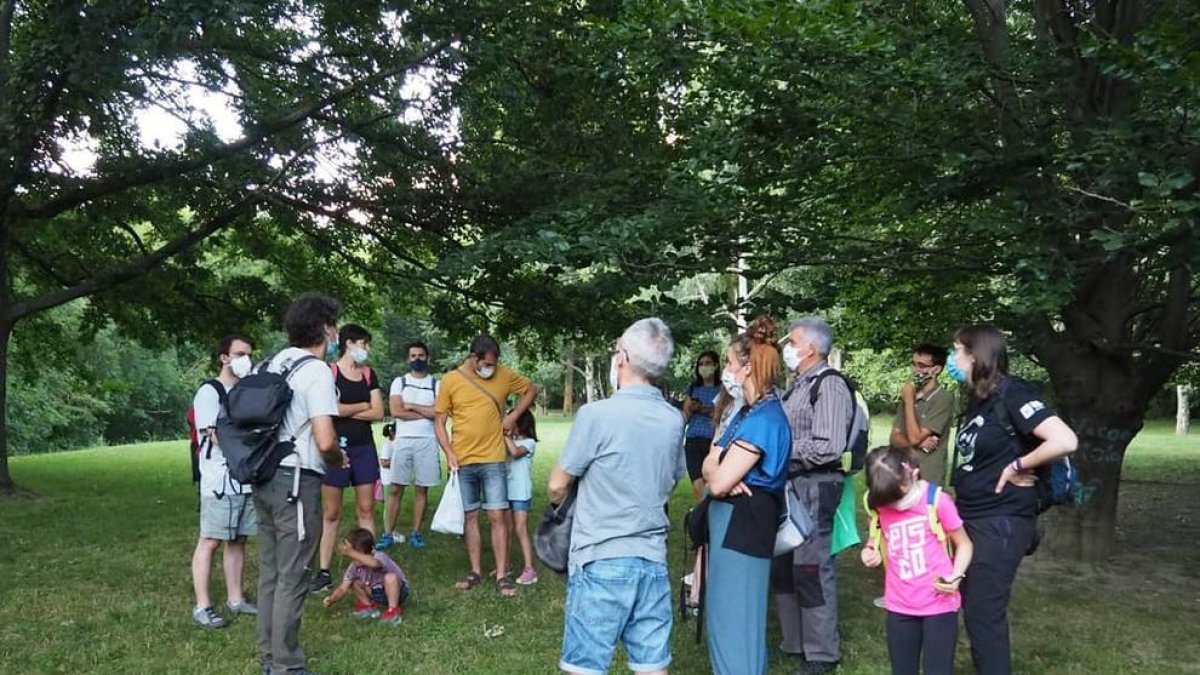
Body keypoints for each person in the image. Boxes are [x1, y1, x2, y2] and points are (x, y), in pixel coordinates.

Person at [548, 317, 685, 675]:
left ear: (622, 356)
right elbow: (670, 481)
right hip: (652, 560)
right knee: (652, 666)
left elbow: (557, 484)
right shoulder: (673, 420)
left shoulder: (597, 415)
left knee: (586, 667)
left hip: (600, 558)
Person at [948, 325, 1077, 675]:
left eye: (956, 351)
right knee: (972, 607)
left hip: (1001, 521)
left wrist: (1018, 465)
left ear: (976, 355)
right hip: (971, 516)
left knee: (983, 612)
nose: (952, 359)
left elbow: (1064, 439)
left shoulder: (1014, 392)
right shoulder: (979, 398)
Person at [254, 293, 342, 675]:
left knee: (271, 571)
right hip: (297, 480)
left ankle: (269, 657)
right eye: (334, 325)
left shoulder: (270, 363)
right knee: (294, 575)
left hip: (265, 475)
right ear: (325, 328)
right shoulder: (318, 371)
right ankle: (286, 665)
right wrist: (340, 458)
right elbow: (325, 440)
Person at [701, 316, 792, 675]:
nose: (724, 369)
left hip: (745, 526)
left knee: (737, 618)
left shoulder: (765, 418)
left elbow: (719, 482)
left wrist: (719, 471)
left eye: (728, 363)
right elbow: (710, 464)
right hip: (730, 524)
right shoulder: (745, 413)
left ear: (748, 368)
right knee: (724, 614)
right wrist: (718, 468)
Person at [775, 316, 855, 675]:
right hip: (790, 485)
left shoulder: (830, 385)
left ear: (810, 347)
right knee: (786, 565)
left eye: (791, 342)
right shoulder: (797, 384)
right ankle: (794, 642)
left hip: (815, 485)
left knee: (810, 566)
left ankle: (821, 653)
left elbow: (829, 445)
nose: (786, 349)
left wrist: (779, 448)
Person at [435, 334, 540, 597]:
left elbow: (531, 389)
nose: (490, 369)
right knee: (470, 516)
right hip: (464, 460)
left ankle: (502, 575)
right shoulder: (450, 380)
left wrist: (514, 415)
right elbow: (439, 422)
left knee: (497, 516)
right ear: (473, 358)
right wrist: (448, 452)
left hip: (494, 458)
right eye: (486, 364)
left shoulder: (504, 375)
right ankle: (475, 571)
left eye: (493, 364)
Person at [860, 446, 973, 675]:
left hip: (939, 605)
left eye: (896, 498)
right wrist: (870, 550)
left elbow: (965, 545)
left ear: (912, 473)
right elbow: (876, 536)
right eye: (886, 500)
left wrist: (956, 576)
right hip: (899, 606)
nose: (892, 505)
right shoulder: (879, 503)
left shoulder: (937, 502)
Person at [309, 324, 384, 594]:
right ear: (349, 343)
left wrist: (345, 411)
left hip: (364, 447)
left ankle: (371, 566)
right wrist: (361, 406)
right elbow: (328, 409)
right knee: (331, 513)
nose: (366, 349)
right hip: (335, 449)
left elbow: (378, 412)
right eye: (363, 343)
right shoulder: (328, 373)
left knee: (366, 510)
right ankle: (324, 570)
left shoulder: (367, 374)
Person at [190, 334, 258, 629]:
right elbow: (213, 434)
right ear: (224, 357)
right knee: (211, 540)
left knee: (238, 539)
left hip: (244, 478)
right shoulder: (209, 392)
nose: (246, 359)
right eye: (240, 353)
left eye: (249, 354)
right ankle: (202, 605)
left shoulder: (246, 391)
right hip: (219, 480)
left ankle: (236, 598)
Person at [379, 341, 441, 550]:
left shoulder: (436, 384)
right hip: (403, 441)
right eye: (413, 355)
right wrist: (425, 412)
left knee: (422, 489)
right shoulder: (400, 382)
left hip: (427, 442)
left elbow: (438, 413)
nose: (417, 359)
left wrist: (412, 406)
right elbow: (396, 411)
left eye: (421, 355)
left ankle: (416, 532)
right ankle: (388, 533)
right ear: (408, 358)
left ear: (428, 358)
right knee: (396, 488)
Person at [889, 344, 955, 487]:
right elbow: (894, 438)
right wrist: (919, 443)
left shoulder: (943, 398)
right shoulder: (910, 394)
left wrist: (908, 401)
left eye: (921, 365)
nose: (915, 370)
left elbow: (914, 438)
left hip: (928, 478)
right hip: (903, 475)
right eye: (913, 364)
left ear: (936, 369)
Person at [321, 528, 408, 627]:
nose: (353, 557)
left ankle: (393, 611)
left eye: (355, 553)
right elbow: (342, 588)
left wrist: (351, 552)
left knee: (390, 578)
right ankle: (367, 607)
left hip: (398, 591)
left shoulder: (378, 556)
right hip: (377, 593)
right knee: (354, 582)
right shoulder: (354, 567)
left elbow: (374, 564)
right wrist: (332, 599)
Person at [504, 408, 539, 585]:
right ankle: (506, 564)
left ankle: (529, 569)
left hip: (520, 492)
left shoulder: (529, 442)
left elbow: (516, 452)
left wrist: (506, 436)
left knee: (520, 529)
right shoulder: (511, 441)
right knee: (507, 529)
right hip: (507, 491)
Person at [682, 351, 721, 502]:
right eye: (701, 364)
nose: (704, 367)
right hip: (693, 441)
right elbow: (686, 415)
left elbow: (722, 414)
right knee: (698, 485)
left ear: (716, 366)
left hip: (713, 442)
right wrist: (691, 408)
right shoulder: (693, 388)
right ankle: (701, 519)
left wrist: (702, 409)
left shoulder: (723, 389)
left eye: (708, 363)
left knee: (711, 485)